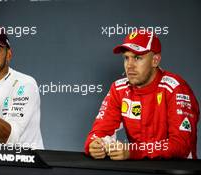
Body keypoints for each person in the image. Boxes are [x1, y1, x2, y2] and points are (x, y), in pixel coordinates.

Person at [85, 30, 199, 160]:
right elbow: (99, 132)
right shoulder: (118, 89)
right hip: (140, 168)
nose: (129, 65)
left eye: (137, 58)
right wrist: (94, 144)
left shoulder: (175, 88)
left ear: (155, 60)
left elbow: (181, 145)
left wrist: (132, 151)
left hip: (174, 169)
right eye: (126, 58)